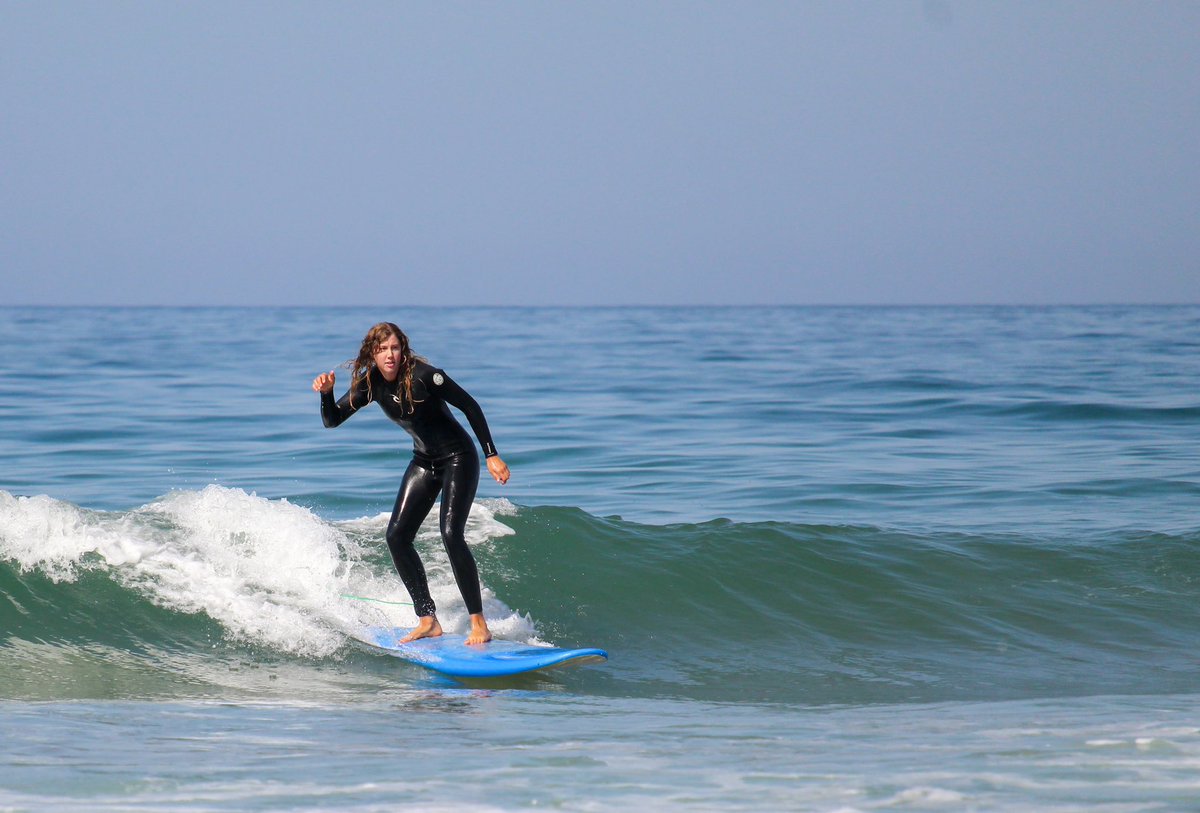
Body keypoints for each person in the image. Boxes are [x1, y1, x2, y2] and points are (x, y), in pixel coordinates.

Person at [312, 322, 510, 645]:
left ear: (402, 349)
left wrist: (491, 454)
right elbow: (332, 420)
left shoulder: (425, 376)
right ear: (372, 354)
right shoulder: (371, 385)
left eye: (394, 347)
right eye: (382, 349)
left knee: (450, 533)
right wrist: (326, 394)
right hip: (424, 461)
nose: (389, 355)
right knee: (397, 536)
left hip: (459, 458)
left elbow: (470, 406)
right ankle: (428, 619)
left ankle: (479, 624)